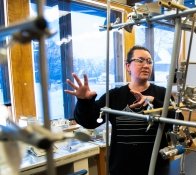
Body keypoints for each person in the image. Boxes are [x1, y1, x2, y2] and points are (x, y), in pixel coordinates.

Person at [65, 45, 180, 174]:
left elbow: (178, 120)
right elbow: (89, 121)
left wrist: (153, 100)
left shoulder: (162, 93)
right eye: (140, 60)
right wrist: (84, 101)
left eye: (149, 61)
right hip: (122, 169)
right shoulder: (114, 96)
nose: (146, 65)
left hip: (156, 168)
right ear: (127, 66)